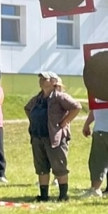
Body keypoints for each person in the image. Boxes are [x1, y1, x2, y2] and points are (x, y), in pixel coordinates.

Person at [25, 72, 80, 201]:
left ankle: (63, 195)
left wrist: (65, 121)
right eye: (41, 79)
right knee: (41, 167)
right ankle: (43, 196)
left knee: (59, 166)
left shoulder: (60, 97)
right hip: (38, 137)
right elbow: (27, 108)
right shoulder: (37, 98)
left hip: (55, 137)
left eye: (45, 79)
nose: (41, 81)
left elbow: (76, 107)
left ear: (54, 82)